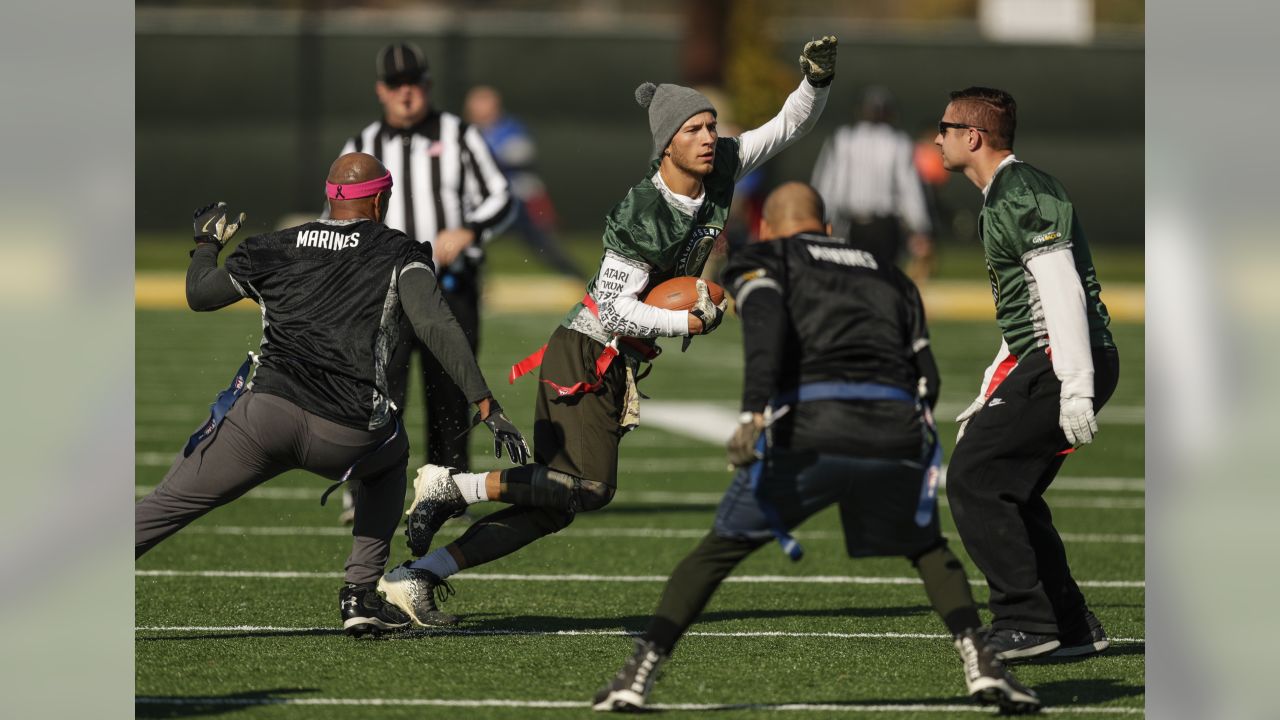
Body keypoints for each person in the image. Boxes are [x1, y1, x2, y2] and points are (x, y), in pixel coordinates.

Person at [375, 37, 841, 627]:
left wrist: (816, 84)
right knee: (589, 487)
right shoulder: (641, 211)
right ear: (666, 142)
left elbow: (784, 129)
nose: (708, 138)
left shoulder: (720, 165)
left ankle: (419, 575)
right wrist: (686, 319)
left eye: (711, 126)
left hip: (612, 359)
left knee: (555, 507)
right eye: (695, 129)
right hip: (584, 351)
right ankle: (452, 485)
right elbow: (616, 312)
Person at [591, 182, 1040, 714]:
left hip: (812, 429)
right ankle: (982, 663)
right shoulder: (887, 271)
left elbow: (766, 326)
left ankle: (637, 675)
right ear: (828, 228)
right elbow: (927, 371)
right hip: (891, 427)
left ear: (768, 228)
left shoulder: (766, 257)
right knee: (926, 551)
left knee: (718, 551)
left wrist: (753, 412)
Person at [134, 152, 529, 637]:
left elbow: (200, 294)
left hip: (264, 419)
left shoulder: (276, 245)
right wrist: (487, 405)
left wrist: (203, 244)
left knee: (168, 503)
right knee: (392, 454)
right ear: (380, 200)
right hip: (348, 433)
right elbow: (435, 325)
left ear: (329, 195)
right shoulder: (399, 252)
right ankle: (360, 594)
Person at [934, 87, 1120, 660]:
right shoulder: (1001, 195)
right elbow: (1025, 314)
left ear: (973, 137)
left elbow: (1062, 292)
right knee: (1009, 488)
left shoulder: (1020, 191)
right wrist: (993, 386)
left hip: (1063, 358)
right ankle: (1069, 622)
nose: (936, 137)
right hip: (1045, 357)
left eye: (944, 126)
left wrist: (1076, 387)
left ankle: (1026, 621)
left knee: (974, 477)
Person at [333, 42, 515, 524]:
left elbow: (502, 196)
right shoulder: (362, 144)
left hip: (449, 285)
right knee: (378, 391)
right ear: (381, 91)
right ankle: (365, 489)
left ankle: (449, 490)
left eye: (414, 83)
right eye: (396, 85)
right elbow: (336, 217)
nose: (406, 93)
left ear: (428, 86)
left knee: (452, 391)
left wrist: (470, 229)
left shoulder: (460, 135)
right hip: (382, 292)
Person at [811, 86, 934, 283]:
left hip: (854, 224)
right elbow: (909, 190)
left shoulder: (843, 139)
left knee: (851, 281)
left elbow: (826, 185)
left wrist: (820, 220)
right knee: (882, 282)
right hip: (877, 226)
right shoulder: (897, 142)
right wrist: (919, 227)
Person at [464, 84, 584, 278]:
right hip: (485, 200)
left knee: (546, 247)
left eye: (483, 101)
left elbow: (520, 157)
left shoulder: (511, 128)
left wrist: (486, 157)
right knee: (469, 242)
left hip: (522, 200)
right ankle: (472, 285)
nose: (477, 107)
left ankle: (581, 281)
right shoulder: (468, 132)